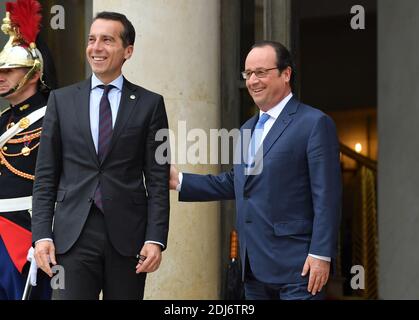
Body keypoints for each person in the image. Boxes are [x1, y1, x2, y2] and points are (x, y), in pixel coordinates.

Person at [170, 41, 342, 300]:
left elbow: (327, 196)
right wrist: (180, 180)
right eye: (248, 74)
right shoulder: (247, 129)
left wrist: (321, 255)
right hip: (252, 270)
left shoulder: (314, 123)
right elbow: (236, 183)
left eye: (261, 72)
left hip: (300, 269)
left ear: (286, 74)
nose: (252, 81)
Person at [32, 11, 170, 300]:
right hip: (71, 238)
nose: (96, 48)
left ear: (127, 51)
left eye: (107, 40)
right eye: (92, 39)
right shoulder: (61, 100)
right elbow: (45, 174)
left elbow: (157, 180)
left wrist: (155, 238)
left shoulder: (150, 105)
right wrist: (42, 235)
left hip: (129, 238)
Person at [0, 0, 57, 300]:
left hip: (26, 231)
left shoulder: (53, 117)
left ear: (34, 74)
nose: (1, 75)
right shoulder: (2, 121)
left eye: (10, 70)